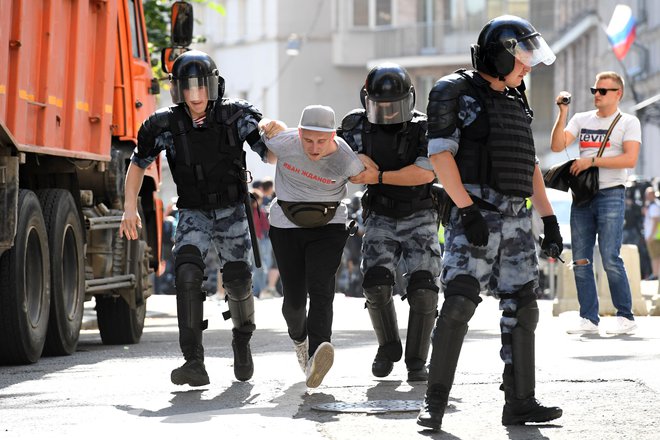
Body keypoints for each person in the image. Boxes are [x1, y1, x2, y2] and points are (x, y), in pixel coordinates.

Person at [416, 15, 563, 431]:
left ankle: (521, 402)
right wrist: (465, 210)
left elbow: (527, 162)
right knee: (460, 302)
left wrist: (548, 219)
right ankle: (434, 403)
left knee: (524, 308)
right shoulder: (452, 91)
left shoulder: (517, 98)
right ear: (500, 56)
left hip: (517, 218)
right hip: (475, 212)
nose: (527, 68)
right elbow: (441, 156)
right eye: (521, 60)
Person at [119, 50, 284, 386]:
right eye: (188, 88)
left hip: (232, 208)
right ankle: (193, 361)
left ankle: (242, 340)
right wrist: (129, 208)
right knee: (187, 272)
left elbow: (267, 154)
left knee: (238, 278)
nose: (195, 95)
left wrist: (278, 134)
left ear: (214, 85)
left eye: (201, 86)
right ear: (177, 90)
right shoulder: (163, 124)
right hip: (192, 210)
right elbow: (138, 164)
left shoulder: (237, 116)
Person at [337, 63, 441, 382]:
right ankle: (388, 347)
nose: (388, 113)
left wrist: (378, 174)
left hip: (420, 212)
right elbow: (346, 164)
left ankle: (417, 361)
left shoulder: (425, 127)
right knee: (375, 284)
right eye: (380, 107)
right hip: (380, 212)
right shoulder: (356, 124)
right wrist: (362, 167)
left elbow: (425, 172)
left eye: (394, 106)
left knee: (423, 288)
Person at [258, 105, 365, 388]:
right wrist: (269, 122)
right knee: (293, 301)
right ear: (300, 132)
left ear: (333, 135)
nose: (314, 148)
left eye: (322, 141)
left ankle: (319, 350)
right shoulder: (284, 141)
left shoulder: (346, 157)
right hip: (286, 225)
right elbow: (264, 129)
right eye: (308, 140)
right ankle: (300, 341)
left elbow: (364, 175)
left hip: (328, 225)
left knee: (321, 287)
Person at [551, 71, 641, 335]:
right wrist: (563, 112)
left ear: (618, 94)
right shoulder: (581, 119)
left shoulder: (628, 122)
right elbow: (557, 146)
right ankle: (588, 318)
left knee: (611, 257)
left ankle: (625, 317)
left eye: (603, 91)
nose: (597, 95)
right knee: (580, 259)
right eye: (595, 90)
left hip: (612, 193)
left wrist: (591, 161)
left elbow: (630, 159)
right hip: (582, 196)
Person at [644, 186, 660, 280]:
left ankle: (655, 274)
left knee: (654, 256)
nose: (646, 196)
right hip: (655, 236)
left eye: (648, 194)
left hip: (654, 236)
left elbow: (656, 221)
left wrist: (650, 236)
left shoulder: (654, 206)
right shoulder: (653, 205)